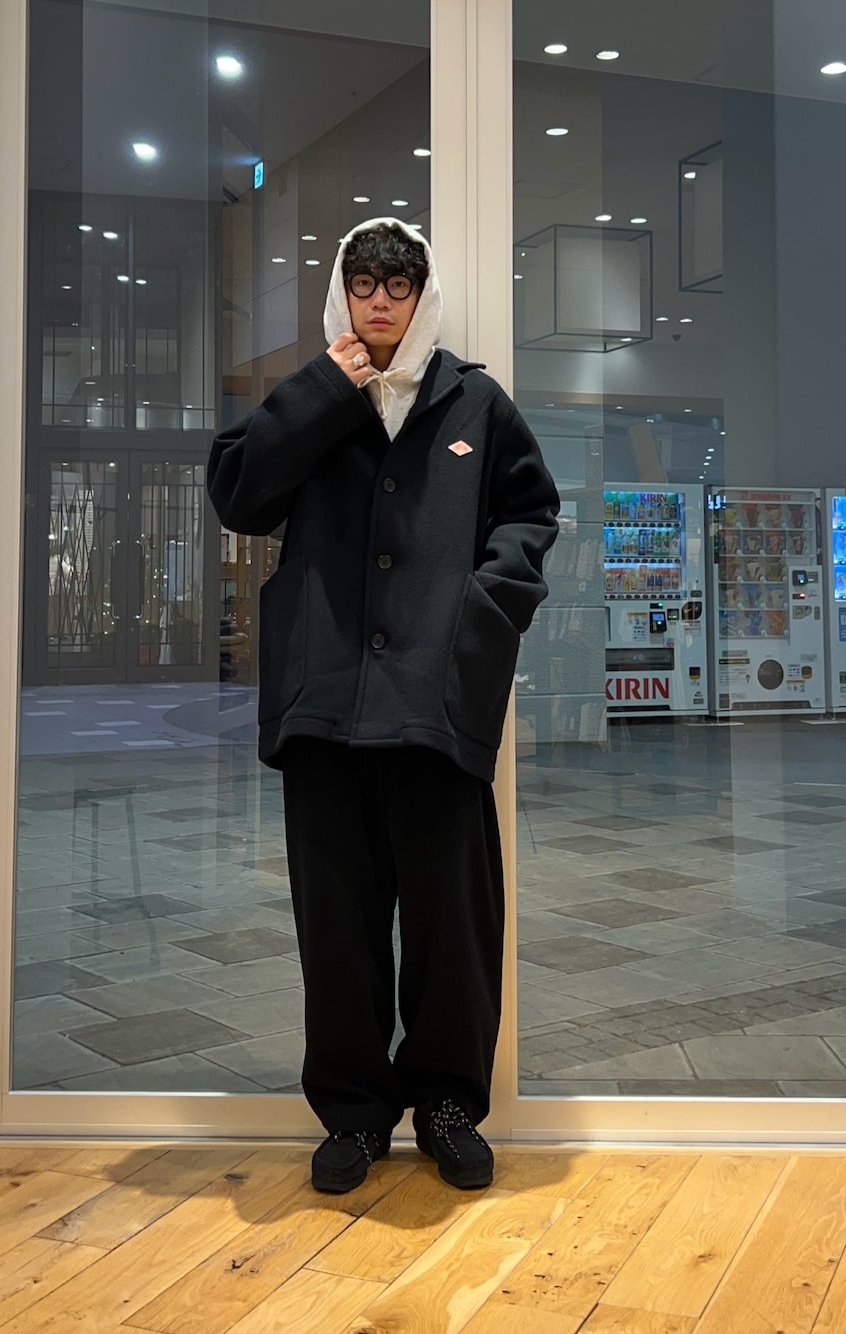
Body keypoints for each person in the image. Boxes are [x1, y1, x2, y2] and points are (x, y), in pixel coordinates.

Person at [207, 218, 559, 1193]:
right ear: (341, 290)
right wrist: (327, 388)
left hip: (435, 705)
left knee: (453, 924)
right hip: (324, 704)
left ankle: (447, 1104)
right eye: (362, 282)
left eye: (397, 285)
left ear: (421, 295)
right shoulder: (315, 394)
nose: (378, 301)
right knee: (337, 924)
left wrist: (482, 613)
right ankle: (355, 1114)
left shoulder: (474, 402)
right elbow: (238, 492)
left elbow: (531, 513)